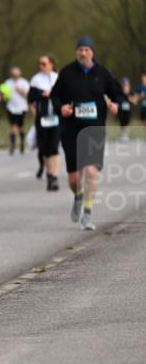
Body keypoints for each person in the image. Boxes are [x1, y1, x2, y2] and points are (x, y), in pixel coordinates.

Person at [56, 36, 122, 230]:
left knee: (92, 171)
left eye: (86, 49)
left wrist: (116, 104)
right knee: (74, 179)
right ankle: (78, 196)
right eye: (80, 49)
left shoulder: (102, 73)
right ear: (76, 52)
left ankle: (87, 213)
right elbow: (54, 96)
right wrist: (61, 108)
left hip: (94, 129)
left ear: (92, 52)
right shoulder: (67, 72)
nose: (83, 53)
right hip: (71, 130)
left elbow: (117, 92)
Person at [28, 55, 61, 191]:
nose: (41, 66)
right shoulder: (36, 80)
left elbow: (65, 95)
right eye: (40, 64)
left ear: (51, 64)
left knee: (54, 147)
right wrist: (42, 94)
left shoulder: (58, 78)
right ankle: (49, 174)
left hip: (56, 117)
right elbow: (30, 98)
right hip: (42, 118)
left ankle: (54, 176)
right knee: (45, 149)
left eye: (44, 63)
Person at [2, 66, 30, 155]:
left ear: (19, 74)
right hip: (11, 108)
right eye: (13, 73)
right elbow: (4, 96)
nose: (15, 75)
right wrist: (4, 95)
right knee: (13, 126)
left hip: (22, 107)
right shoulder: (7, 83)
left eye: (16, 73)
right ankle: (13, 144)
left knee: (20, 127)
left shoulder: (24, 82)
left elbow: (28, 95)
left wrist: (20, 91)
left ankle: (22, 143)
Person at [118, 77, 133, 143]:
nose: (125, 86)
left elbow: (134, 101)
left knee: (127, 123)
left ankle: (126, 135)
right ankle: (123, 135)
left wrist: (130, 98)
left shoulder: (131, 93)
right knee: (122, 123)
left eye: (127, 84)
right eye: (124, 84)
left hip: (128, 110)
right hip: (121, 110)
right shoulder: (120, 92)